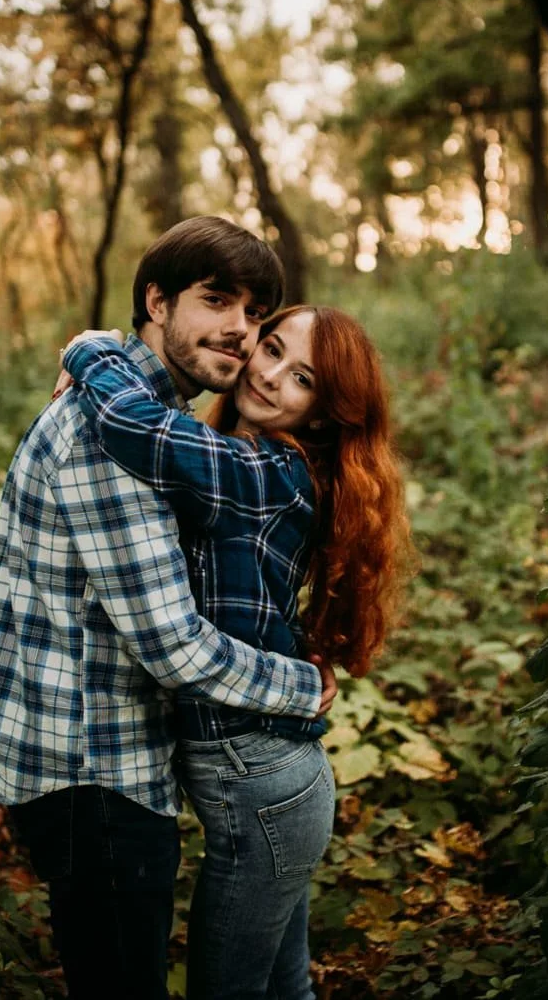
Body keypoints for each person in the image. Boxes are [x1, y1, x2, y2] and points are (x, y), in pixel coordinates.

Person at [0, 217, 338, 1000]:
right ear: (157, 301)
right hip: (92, 769)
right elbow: (173, 644)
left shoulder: (156, 424)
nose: (240, 331)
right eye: (216, 300)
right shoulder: (113, 432)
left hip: (107, 756)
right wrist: (302, 686)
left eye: (253, 313)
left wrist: (88, 349)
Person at [57, 303, 410, 1000]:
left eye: (302, 376)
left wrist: (89, 350)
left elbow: (137, 427)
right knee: (286, 991)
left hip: (263, 788)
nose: (272, 374)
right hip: (275, 783)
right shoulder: (243, 464)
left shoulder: (264, 472)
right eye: (270, 348)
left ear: (321, 413)